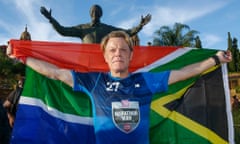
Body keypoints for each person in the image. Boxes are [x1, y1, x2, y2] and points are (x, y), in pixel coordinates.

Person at [7, 31, 232, 144]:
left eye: (123, 50)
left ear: (130, 55)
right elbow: (54, 73)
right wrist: (23, 59)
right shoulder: (94, 81)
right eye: (113, 50)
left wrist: (215, 60)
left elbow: (184, 73)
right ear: (105, 56)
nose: (118, 54)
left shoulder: (146, 81)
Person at [40, 4, 151, 44]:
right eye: (93, 11)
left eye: (97, 11)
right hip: (85, 62)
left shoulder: (107, 29)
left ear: (101, 14)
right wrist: (51, 19)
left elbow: (126, 33)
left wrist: (140, 26)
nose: (95, 13)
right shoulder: (82, 28)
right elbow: (63, 31)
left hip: (102, 62)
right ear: (90, 14)